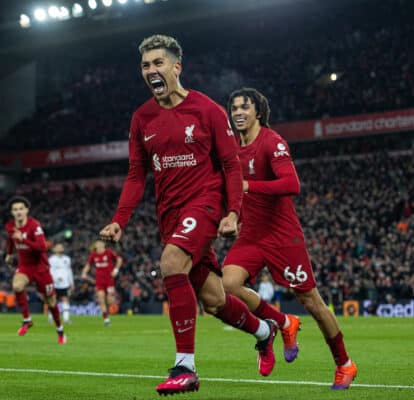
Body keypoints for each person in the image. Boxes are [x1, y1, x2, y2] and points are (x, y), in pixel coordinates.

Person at [99, 35, 278, 396]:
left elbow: (230, 165)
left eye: (157, 63)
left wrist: (232, 212)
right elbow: (137, 174)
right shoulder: (141, 118)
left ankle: (185, 367)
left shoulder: (208, 110)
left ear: (176, 67)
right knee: (213, 300)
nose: (151, 70)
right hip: (170, 213)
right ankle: (264, 331)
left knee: (170, 262)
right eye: (145, 65)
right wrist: (121, 218)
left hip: (206, 203)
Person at [222, 88, 357, 389]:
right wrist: (230, 216)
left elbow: (292, 184)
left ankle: (345, 363)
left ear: (258, 112)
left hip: (283, 236)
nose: (239, 112)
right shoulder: (231, 148)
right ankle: (282, 323)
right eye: (234, 108)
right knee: (227, 285)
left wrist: (248, 186)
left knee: (311, 301)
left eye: (245, 107)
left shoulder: (272, 142)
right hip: (250, 236)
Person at [4, 195, 67, 345]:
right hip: (25, 266)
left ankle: (60, 330)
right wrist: (9, 254)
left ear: (26, 210)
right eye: (15, 209)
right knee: (17, 286)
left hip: (41, 268)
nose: (18, 212)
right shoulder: (10, 226)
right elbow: (11, 239)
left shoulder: (34, 226)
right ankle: (27, 320)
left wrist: (23, 239)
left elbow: (41, 247)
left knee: (51, 302)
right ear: (12, 212)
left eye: (21, 209)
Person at [81, 239, 122, 326]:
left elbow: (119, 260)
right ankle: (106, 320)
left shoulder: (109, 252)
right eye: (97, 244)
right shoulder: (94, 255)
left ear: (103, 244)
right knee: (101, 300)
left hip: (109, 280)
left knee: (110, 300)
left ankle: (112, 311)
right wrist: (84, 272)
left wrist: (116, 270)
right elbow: (88, 265)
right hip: (99, 281)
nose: (99, 245)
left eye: (100, 243)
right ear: (95, 246)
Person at [49, 242, 74, 324]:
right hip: (54, 283)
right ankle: (51, 317)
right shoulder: (51, 259)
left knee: (65, 300)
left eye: (61, 246)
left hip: (65, 283)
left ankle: (66, 319)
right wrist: (53, 279)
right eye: (58, 247)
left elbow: (69, 271)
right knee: (53, 300)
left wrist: (71, 282)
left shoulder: (67, 259)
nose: (60, 248)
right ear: (54, 249)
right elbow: (50, 271)